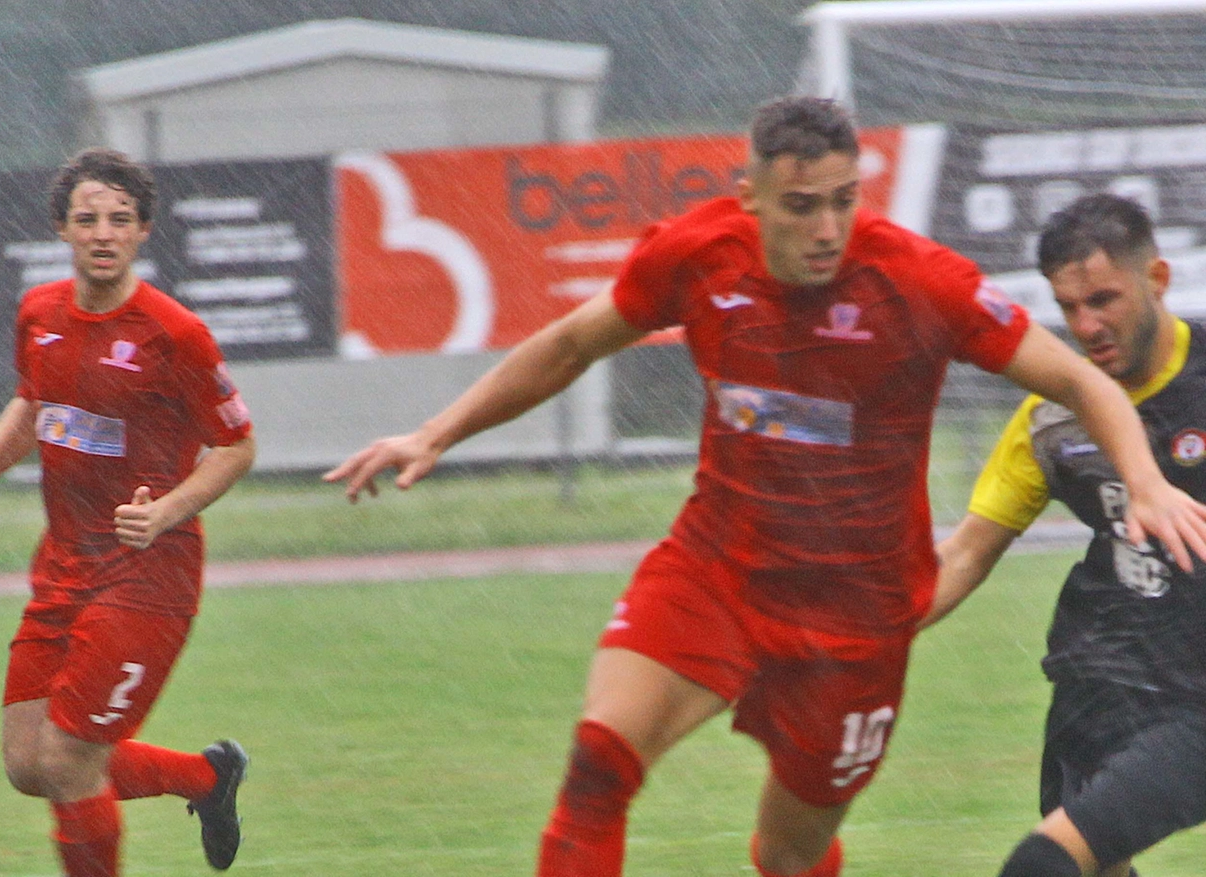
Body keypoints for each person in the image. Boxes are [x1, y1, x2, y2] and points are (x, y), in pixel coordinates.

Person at [324, 98, 1206, 877]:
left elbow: (1084, 385)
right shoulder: (698, 256)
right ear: (750, 197)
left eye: (843, 200)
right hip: (718, 568)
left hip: (854, 617)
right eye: (801, 206)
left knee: (789, 855)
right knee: (598, 762)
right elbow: (568, 345)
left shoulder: (920, 281)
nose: (828, 228)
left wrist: (1145, 483)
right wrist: (435, 430)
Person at [0, 148, 256, 877]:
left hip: (147, 577)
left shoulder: (176, 334)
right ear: (62, 231)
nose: (103, 232)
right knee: (28, 761)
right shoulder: (38, 313)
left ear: (142, 232)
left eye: (120, 219)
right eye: (87, 219)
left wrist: (168, 509)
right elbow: (32, 408)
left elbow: (236, 445)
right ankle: (206, 777)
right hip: (64, 568)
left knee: (71, 761)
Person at [929, 194, 1206, 877]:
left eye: (1105, 299)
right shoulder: (1051, 419)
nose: (1088, 325)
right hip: (1102, 679)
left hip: (1198, 698)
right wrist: (853, 637)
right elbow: (964, 552)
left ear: (1159, 280)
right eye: (1070, 307)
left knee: (1041, 866)